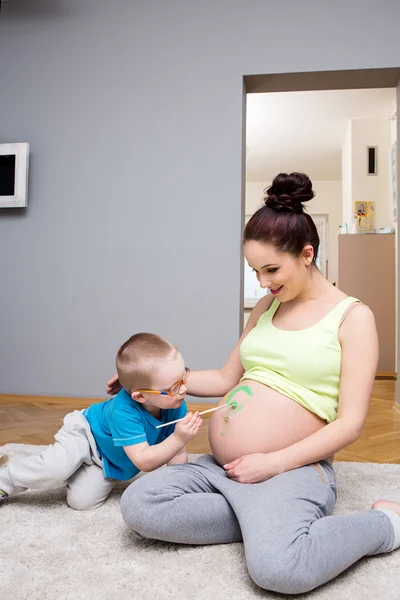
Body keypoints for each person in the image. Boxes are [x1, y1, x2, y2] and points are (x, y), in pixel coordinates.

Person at [109, 173, 400, 595]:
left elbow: (350, 425)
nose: (263, 283)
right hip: (226, 469)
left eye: (271, 270)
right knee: (139, 505)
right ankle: (263, 520)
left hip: (291, 469)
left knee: (280, 571)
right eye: (255, 271)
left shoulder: (353, 318)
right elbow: (228, 377)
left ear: (306, 254)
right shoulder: (267, 306)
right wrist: (156, 380)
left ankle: (384, 524)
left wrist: (273, 463)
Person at [0, 333, 201, 510]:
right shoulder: (123, 410)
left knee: (82, 502)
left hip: (109, 458)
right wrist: (178, 438)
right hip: (85, 435)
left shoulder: (175, 404)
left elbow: (177, 453)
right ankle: (6, 478)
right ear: (140, 397)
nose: (183, 389)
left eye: (183, 377)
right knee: (56, 468)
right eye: (174, 386)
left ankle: (77, 465)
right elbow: (144, 460)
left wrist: (179, 487)